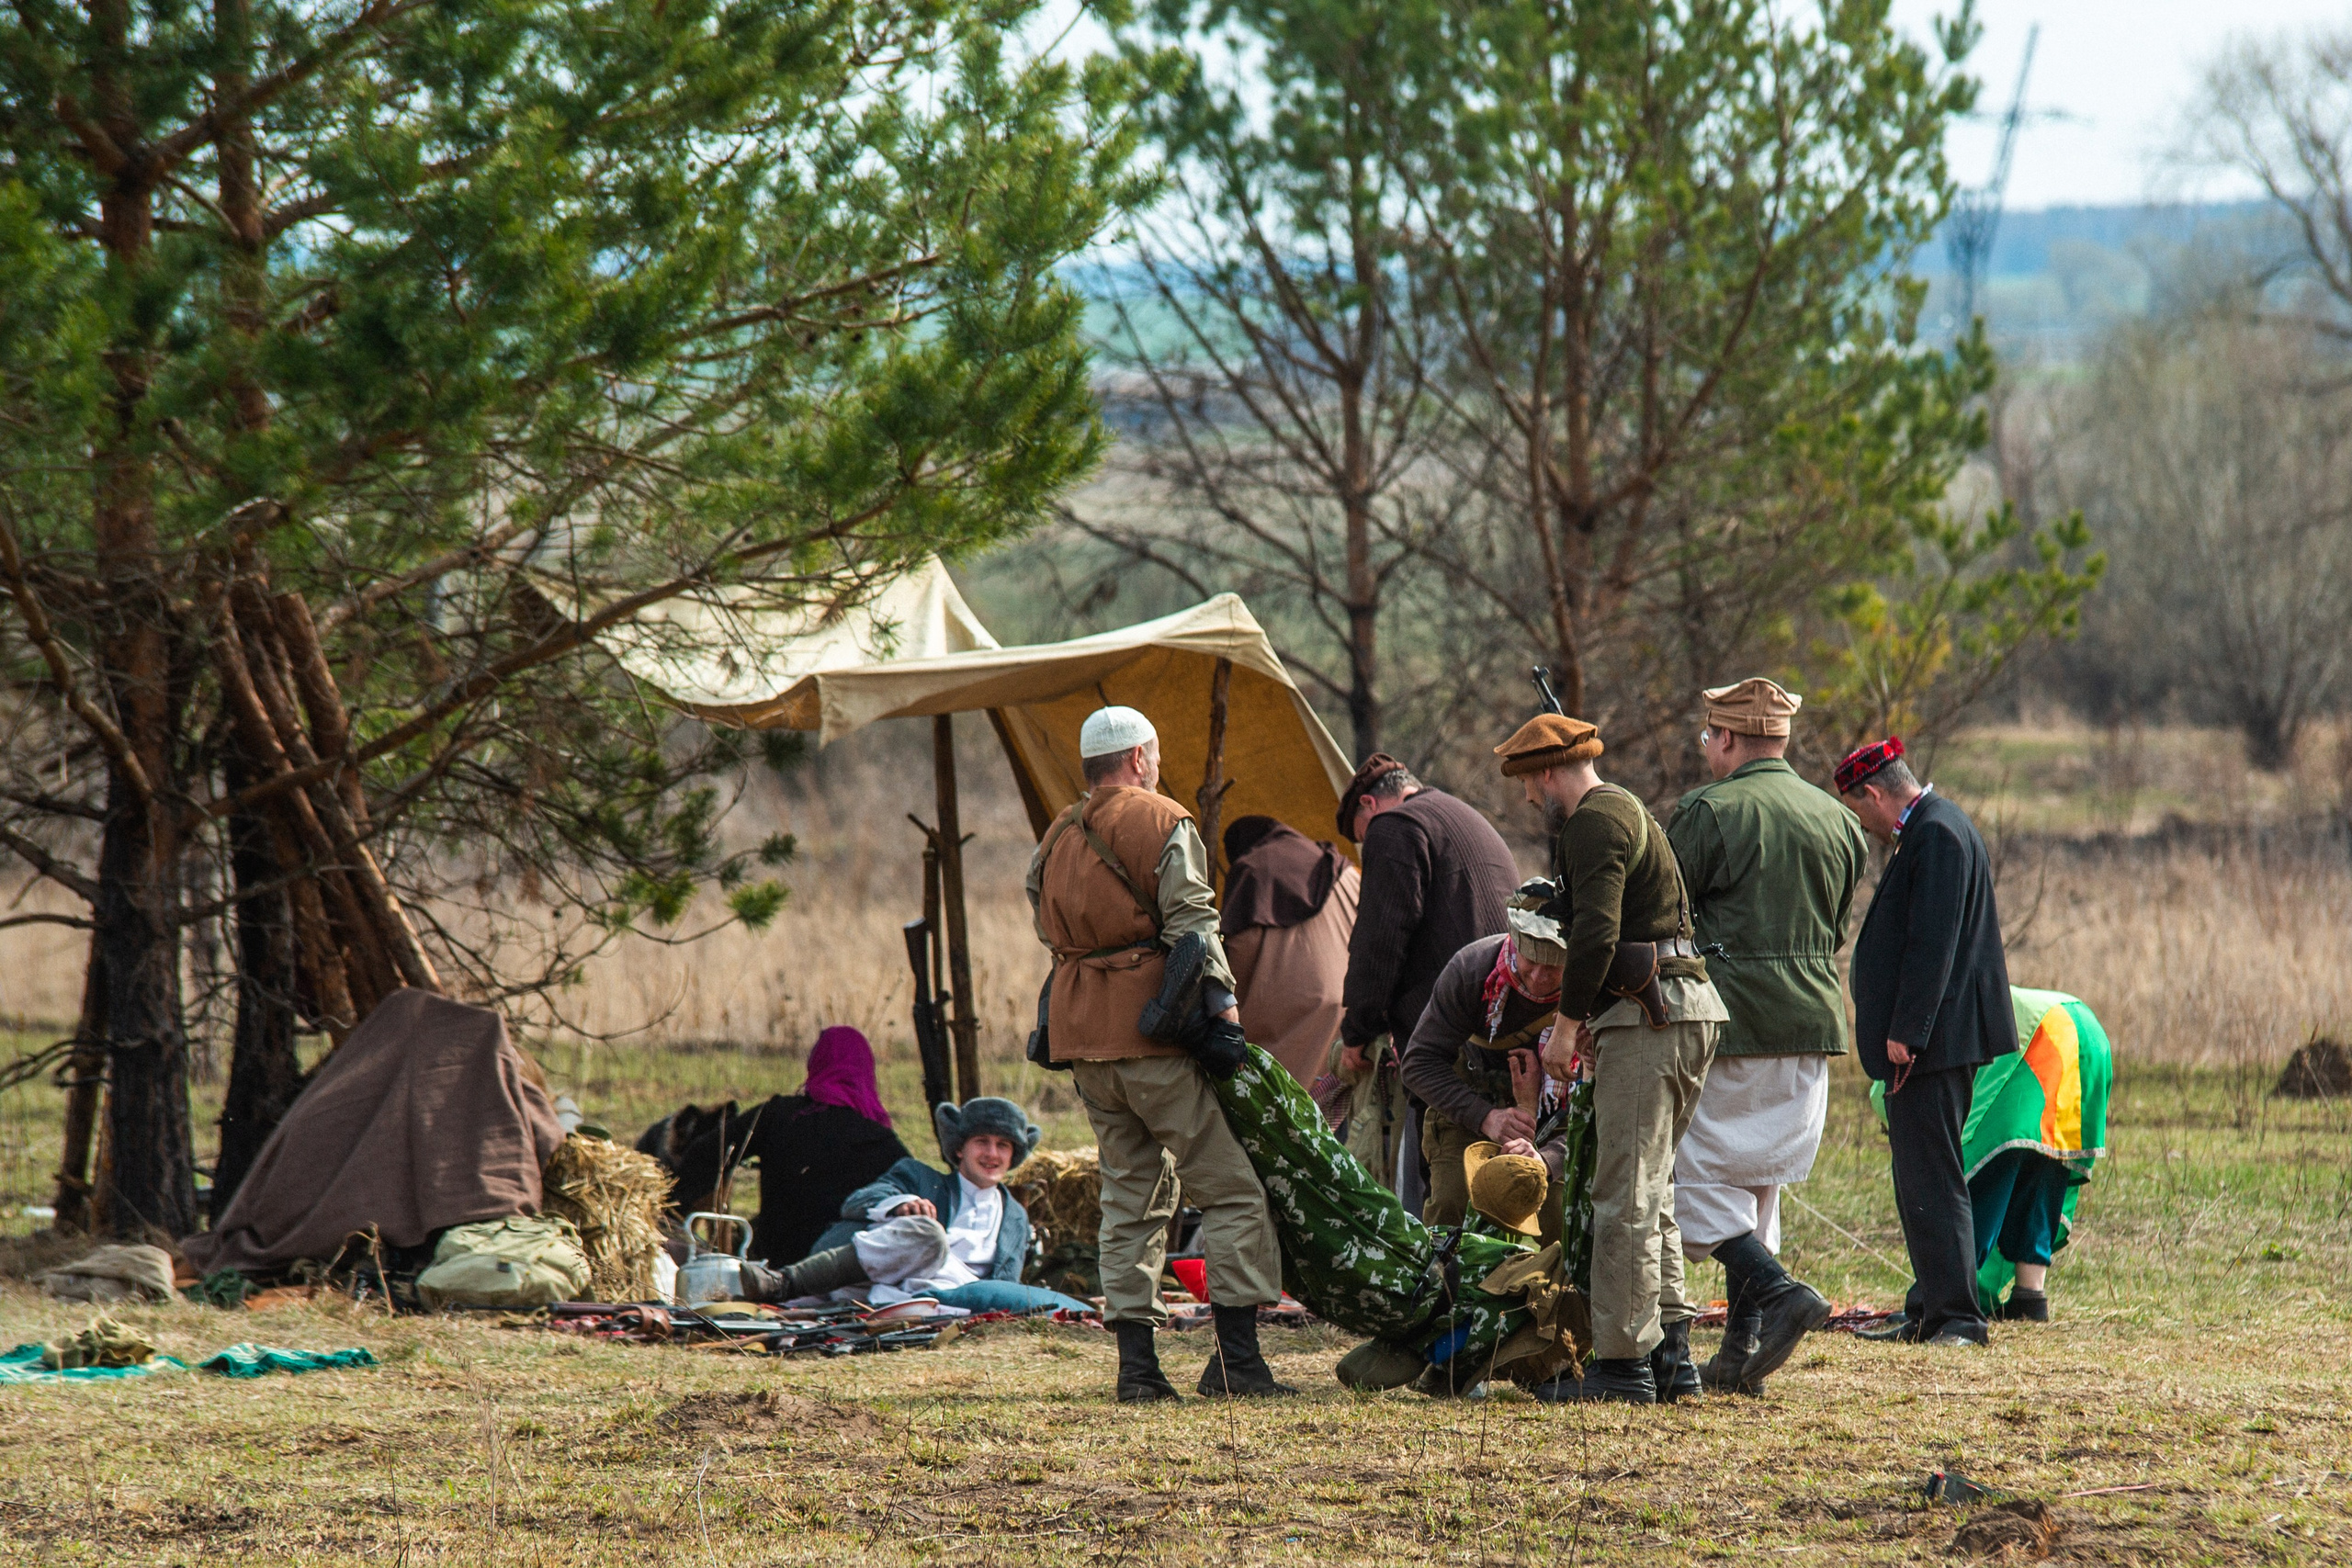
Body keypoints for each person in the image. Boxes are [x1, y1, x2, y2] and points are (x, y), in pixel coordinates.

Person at [1027, 705, 1291, 1402]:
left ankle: (1137, 1371)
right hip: (1153, 1036)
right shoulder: (1163, 818)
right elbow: (1195, 923)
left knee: (1129, 1200)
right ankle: (1236, 1363)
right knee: (1234, 1191)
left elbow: (1039, 912)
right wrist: (1226, 1016)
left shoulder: (1057, 833)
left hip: (1083, 1038)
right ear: (1140, 757)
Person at [1495, 713, 1725, 1405]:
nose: (1533, 801)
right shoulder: (1623, 809)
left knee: (1621, 1196)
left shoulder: (1593, 819)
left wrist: (1566, 1027)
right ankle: (1673, 1360)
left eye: (1530, 787)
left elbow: (1595, 933)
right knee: (1653, 1194)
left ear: (1545, 773)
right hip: (1678, 1009)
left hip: (1654, 1016)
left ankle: (1623, 1367)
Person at [1666, 679, 1865, 1394]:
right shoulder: (1840, 820)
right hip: (1812, 1019)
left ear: (1724, 737)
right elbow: (1834, 926)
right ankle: (1739, 1353)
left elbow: (1662, 915)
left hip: (1730, 1020)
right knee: (1760, 1184)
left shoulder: (1707, 811)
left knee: (1693, 1176)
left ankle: (1780, 1293)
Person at [1836, 737, 2018, 1348]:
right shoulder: (1934, 827)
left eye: (1860, 811)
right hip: (1936, 1039)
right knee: (1919, 1177)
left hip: (1932, 1043)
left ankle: (1959, 1319)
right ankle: (1928, 1307)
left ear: (1875, 792)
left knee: (1933, 1177)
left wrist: (1906, 1031)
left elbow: (1933, 944)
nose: (1864, 825)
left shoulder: (1936, 833)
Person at [1334, 753, 1521, 1211]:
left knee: (1444, 1180)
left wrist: (1357, 1031)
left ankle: (1448, 1279)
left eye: (1361, 837)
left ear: (1369, 805)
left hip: (1453, 1034)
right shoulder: (1461, 814)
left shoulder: (1393, 826)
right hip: (1511, 1021)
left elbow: (1379, 938)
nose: (1367, 846)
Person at [1871, 986, 2112, 1323]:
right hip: (2086, 1030)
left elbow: (1963, 1168)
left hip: (2039, 1039)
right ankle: (2030, 1298)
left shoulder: (1914, 1069)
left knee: (1986, 1170)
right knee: (2042, 1164)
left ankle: (1947, 1301)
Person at [742, 1098, 1092, 1314]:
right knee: (928, 1235)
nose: (992, 1154)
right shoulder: (920, 1178)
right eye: (982, 1142)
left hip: (956, 1297)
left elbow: (1004, 1283)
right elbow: (856, 1202)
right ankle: (784, 1283)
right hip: (893, 1276)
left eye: (1003, 1145)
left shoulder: (1015, 1216)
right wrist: (902, 1204)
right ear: (959, 1149)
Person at [634, 1025, 910, 1267]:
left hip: (774, 1264)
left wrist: (673, 1205)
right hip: (844, 1271)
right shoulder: (881, 1141)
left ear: (815, 1065)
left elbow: (707, 1152)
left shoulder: (778, 1115)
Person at [1398, 884, 1571, 1230]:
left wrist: (1547, 1160)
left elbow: (1603, 1100)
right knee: (1449, 1209)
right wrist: (1487, 1118)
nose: (1539, 977)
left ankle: (1546, 1285)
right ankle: (1442, 1283)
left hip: (1559, 1122)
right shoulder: (1472, 972)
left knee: (1560, 1218)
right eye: (1531, 960)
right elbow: (1418, 1064)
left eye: (1554, 967)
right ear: (1515, 940)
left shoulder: (1594, 993)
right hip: (1469, 1109)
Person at [1220, 815, 1362, 1086]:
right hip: (1352, 1015)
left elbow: (1239, 953)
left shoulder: (1252, 871)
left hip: (1292, 1020)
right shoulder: (1339, 868)